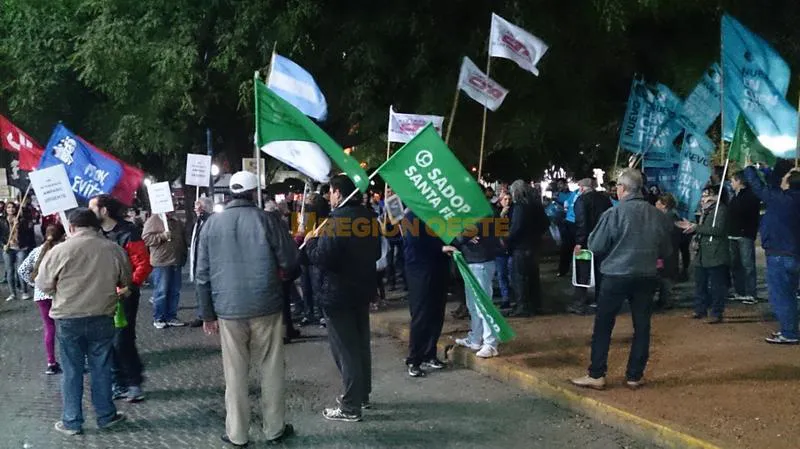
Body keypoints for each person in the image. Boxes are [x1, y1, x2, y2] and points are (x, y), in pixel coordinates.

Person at [196, 171, 298, 446]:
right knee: (271, 368)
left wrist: (207, 314)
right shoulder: (268, 220)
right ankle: (274, 429)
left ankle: (238, 433)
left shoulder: (211, 225)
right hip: (266, 304)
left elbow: (202, 274)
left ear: (230, 193)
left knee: (235, 373)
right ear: (255, 193)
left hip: (228, 309)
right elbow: (290, 261)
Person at [571, 169, 671, 390]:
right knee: (642, 326)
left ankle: (597, 374)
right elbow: (666, 249)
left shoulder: (614, 213)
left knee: (604, 325)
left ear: (623, 189)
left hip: (616, 275)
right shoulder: (657, 215)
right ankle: (634, 375)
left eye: (617, 186)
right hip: (646, 275)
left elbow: (596, 245)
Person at [35, 208, 131, 435]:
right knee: (102, 367)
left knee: (71, 370)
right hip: (102, 315)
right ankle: (106, 415)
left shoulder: (59, 251)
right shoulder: (113, 249)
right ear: (97, 226)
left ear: (71, 227)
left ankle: (71, 421)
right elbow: (125, 280)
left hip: (68, 317)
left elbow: (43, 284)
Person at [304, 175, 380, 422]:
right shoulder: (369, 217)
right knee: (360, 345)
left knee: (346, 350)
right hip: (361, 290)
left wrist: (311, 242)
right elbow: (376, 252)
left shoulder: (337, 220)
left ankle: (350, 406)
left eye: (330, 192)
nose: (329, 197)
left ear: (338, 192)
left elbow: (323, 257)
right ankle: (362, 395)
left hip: (337, 294)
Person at [89, 194, 153, 403]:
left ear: (104, 210)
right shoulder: (93, 233)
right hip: (100, 294)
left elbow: (142, 262)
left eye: (92, 208)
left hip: (123, 294)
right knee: (106, 340)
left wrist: (130, 286)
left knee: (122, 339)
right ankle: (118, 382)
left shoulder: (128, 232)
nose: (89, 212)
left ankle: (133, 382)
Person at [742, 166, 800, 344]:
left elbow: (759, 187)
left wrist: (749, 168)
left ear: (788, 183)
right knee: (789, 294)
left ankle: (789, 332)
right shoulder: (789, 199)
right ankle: (789, 328)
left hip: (779, 254)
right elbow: (772, 186)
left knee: (781, 295)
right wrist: (767, 170)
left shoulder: (780, 199)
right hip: (793, 254)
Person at [403, 210, 450, 377]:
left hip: (439, 266)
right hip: (419, 269)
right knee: (421, 314)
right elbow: (415, 241)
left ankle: (430, 354)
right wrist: (441, 247)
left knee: (437, 312)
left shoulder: (437, 213)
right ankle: (414, 359)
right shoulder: (411, 216)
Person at [448, 217, 502, 358]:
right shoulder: (469, 216)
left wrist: (460, 235)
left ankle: (490, 344)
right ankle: (476, 338)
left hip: (481, 262)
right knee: (472, 304)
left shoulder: (481, 215)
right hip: (471, 262)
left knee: (483, 305)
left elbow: (460, 238)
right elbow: (461, 237)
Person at [18, 224, 67, 375]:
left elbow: (22, 270)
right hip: (61, 294)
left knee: (49, 327)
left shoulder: (36, 251)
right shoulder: (63, 251)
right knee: (66, 327)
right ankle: (71, 360)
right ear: (62, 236)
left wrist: (35, 284)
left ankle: (51, 362)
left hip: (41, 295)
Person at [677, 186, 730, 324]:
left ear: (716, 196)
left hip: (715, 253)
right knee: (700, 283)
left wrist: (696, 228)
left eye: (707, 195)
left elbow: (717, 230)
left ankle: (716, 312)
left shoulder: (721, 210)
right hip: (702, 253)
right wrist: (693, 226)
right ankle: (700, 308)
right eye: (703, 196)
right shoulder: (705, 211)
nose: (703, 199)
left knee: (716, 285)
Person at [504, 180, 550, 317]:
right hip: (534, 245)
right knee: (533, 277)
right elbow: (546, 223)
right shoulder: (536, 205)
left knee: (520, 278)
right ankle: (536, 305)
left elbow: (516, 228)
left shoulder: (520, 207)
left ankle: (522, 307)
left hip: (521, 246)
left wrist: (507, 240)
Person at [570, 178, 612, 315]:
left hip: (587, 240)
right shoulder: (605, 199)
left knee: (582, 271)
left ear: (582, 188)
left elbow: (582, 222)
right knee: (601, 271)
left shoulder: (581, 200)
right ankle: (601, 300)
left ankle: (580, 302)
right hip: (604, 239)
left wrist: (579, 242)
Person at [143, 210, 187, 328]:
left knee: (175, 291)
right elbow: (146, 239)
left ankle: (171, 316)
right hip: (162, 261)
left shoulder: (175, 221)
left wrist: (183, 255)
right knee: (161, 291)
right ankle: (159, 317)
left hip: (176, 260)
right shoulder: (154, 220)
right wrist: (162, 236)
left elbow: (182, 239)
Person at [727, 171, 761, 305]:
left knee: (747, 265)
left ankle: (751, 293)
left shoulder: (750, 196)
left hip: (744, 234)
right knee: (735, 265)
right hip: (733, 233)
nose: (731, 184)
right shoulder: (734, 195)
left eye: (732, 181)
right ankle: (739, 291)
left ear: (739, 181)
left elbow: (746, 214)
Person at [188, 196, 215, 328]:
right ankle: (202, 314)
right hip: (197, 260)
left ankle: (208, 315)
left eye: (198, 206)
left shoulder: (211, 221)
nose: (195, 209)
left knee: (206, 289)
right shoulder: (198, 222)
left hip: (206, 261)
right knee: (199, 290)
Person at [3, 201, 35, 301]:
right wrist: (3, 245)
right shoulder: (2, 221)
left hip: (21, 248)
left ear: (16, 209)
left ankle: (24, 292)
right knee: (10, 271)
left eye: (12, 207)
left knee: (21, 270)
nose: (11, 209)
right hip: (8, 249)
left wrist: (19, 225)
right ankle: (13, 293)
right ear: (5, 209)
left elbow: (28, 233)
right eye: (8, 207)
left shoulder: (21, 220)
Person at [654, 194, 681, 310]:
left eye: (658, 202)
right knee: (664, 275)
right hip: (668, 251)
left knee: (665, 276)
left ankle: (666, 301)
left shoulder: (669, 217)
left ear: (664, 205)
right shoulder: (671, 216)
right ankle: (664, 300)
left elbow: (666, 235)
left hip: (667, 252)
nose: (656, 204)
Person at [495, 193, 513, 309]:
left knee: (512, 273)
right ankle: (505, 298)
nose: (507, 201)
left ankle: (514, 296)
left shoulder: (515, 212)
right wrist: (501, 216)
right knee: (502, 275)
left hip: (511, 248)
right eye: (505, 199)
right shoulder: (496, 213)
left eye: (509, 199)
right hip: (500, 249)